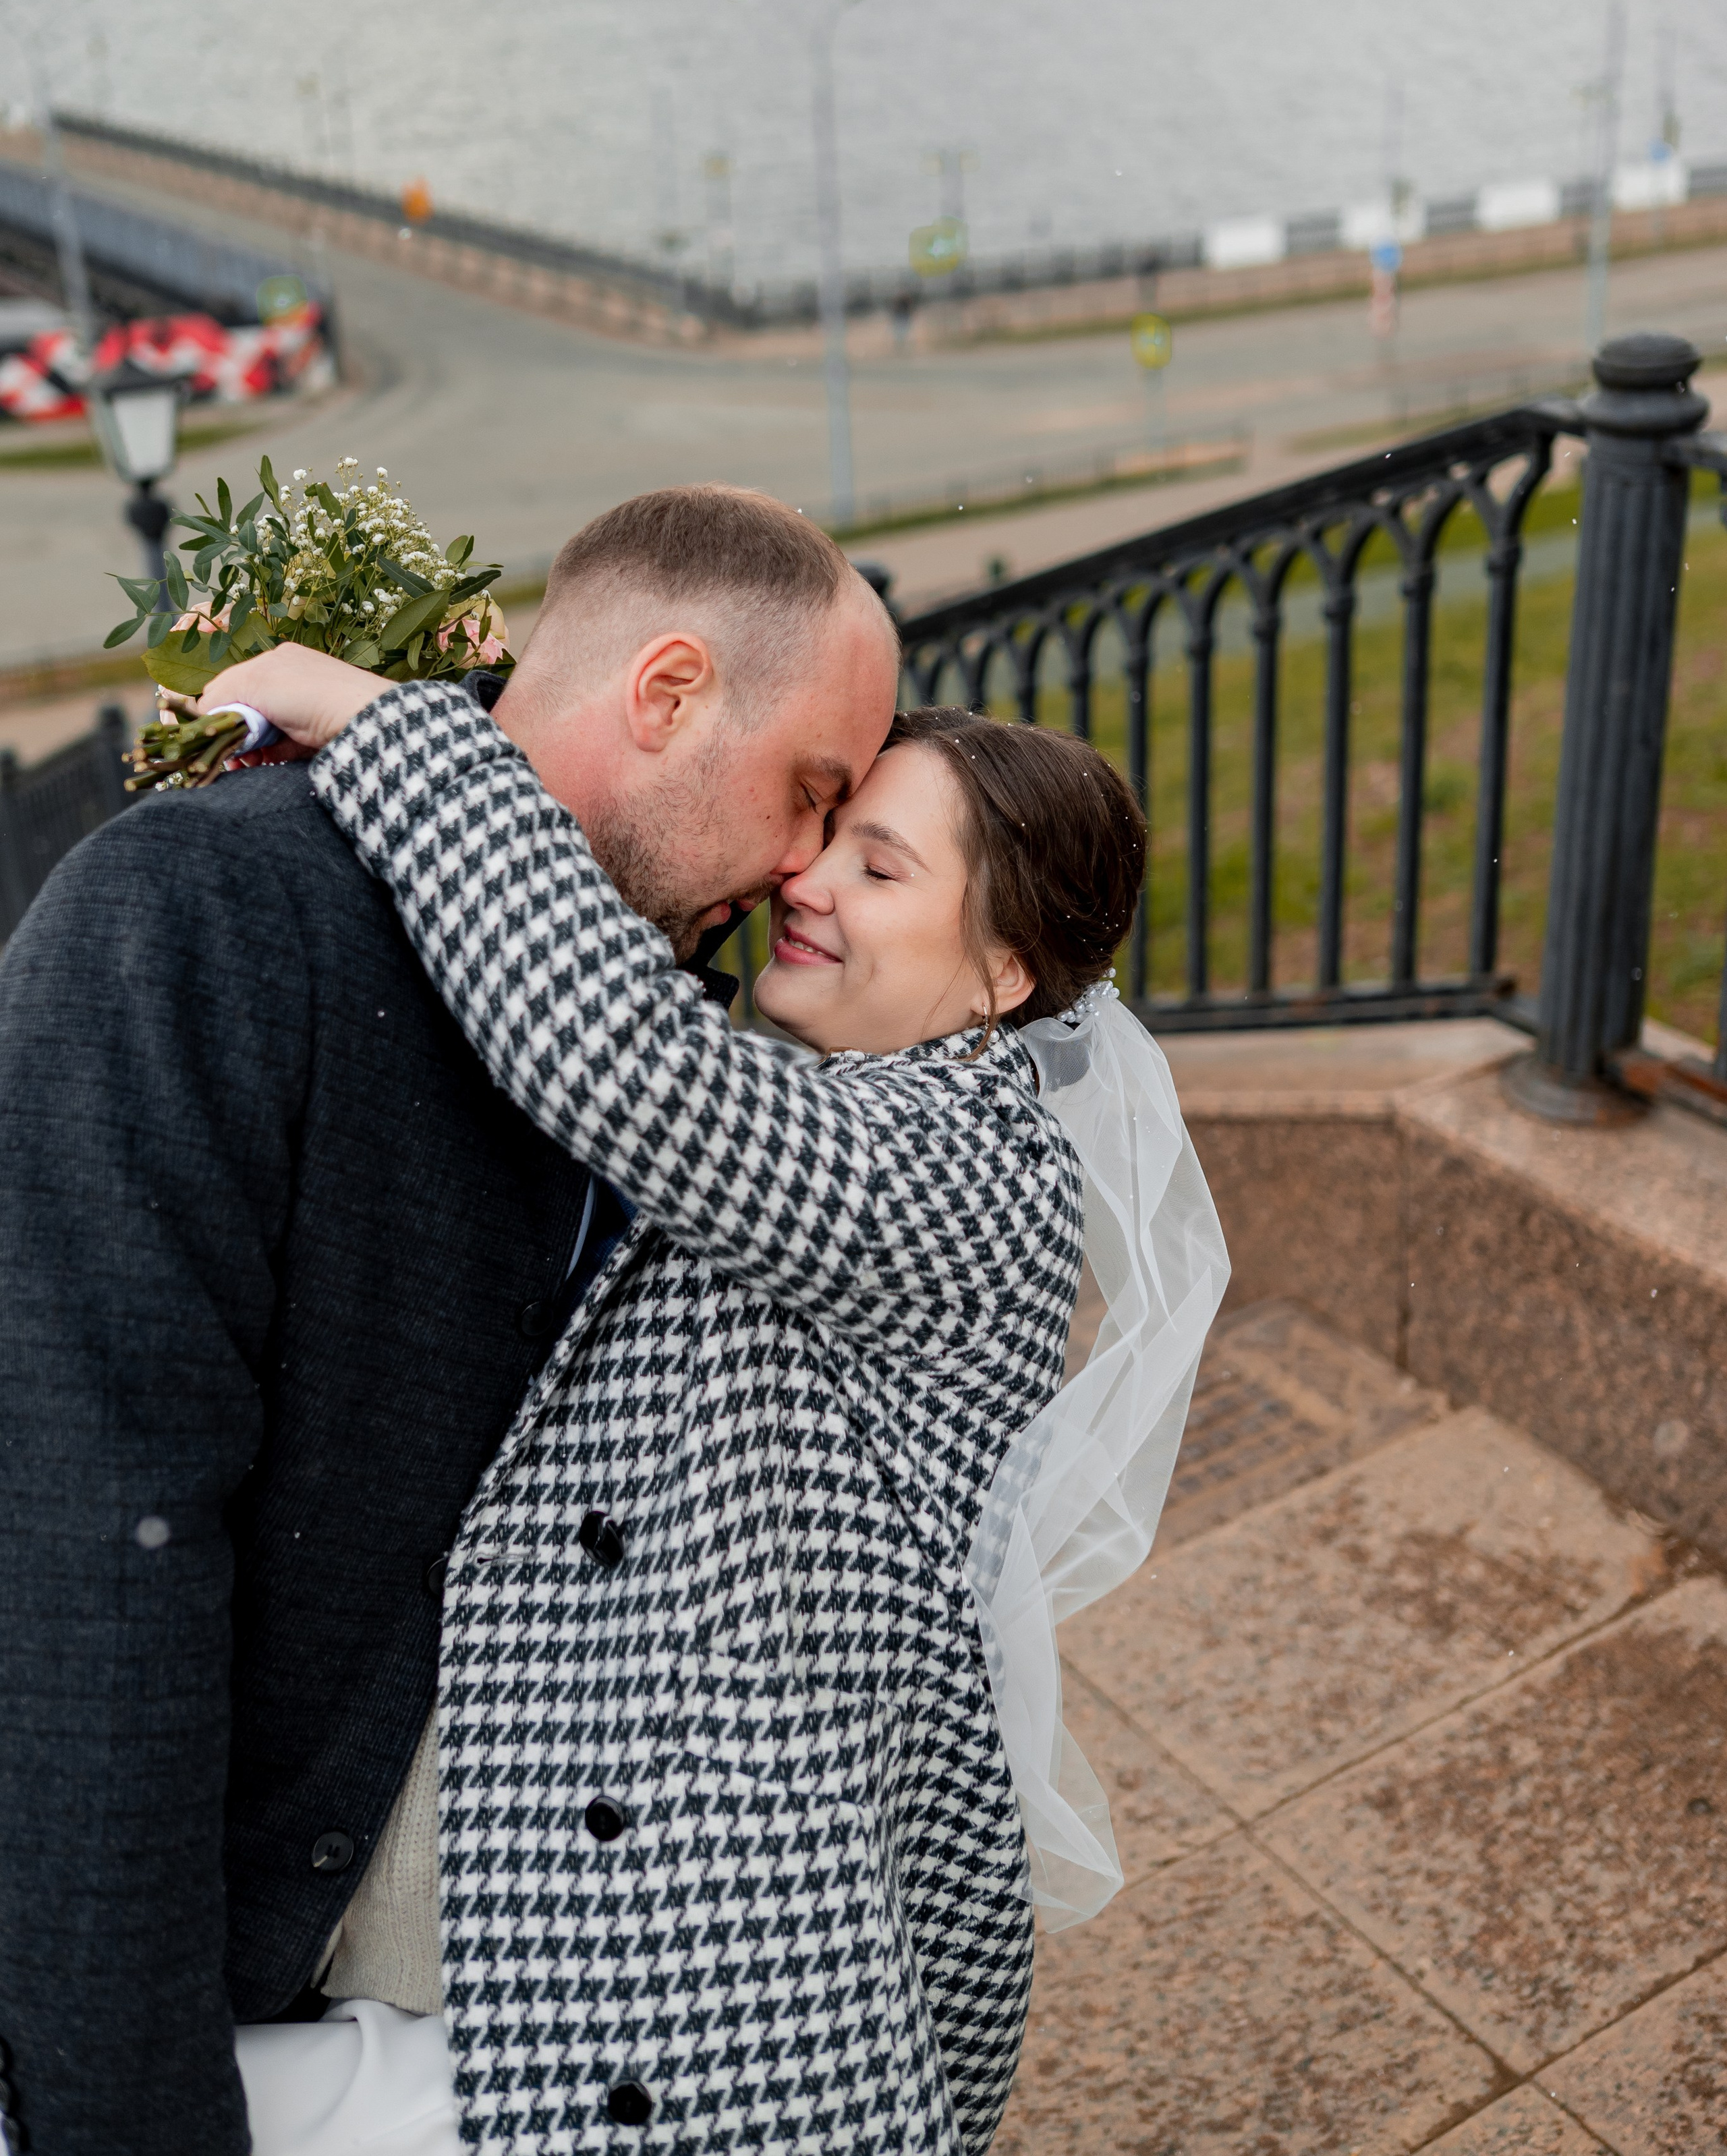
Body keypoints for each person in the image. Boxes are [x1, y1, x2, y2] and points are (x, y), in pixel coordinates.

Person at [210, 640, 1226, 2156]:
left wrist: (391, 724)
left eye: (878, 866)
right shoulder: (853, 1111)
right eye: (824, 835)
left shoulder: (968, 1169)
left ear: (1004, 975)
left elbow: (628, 1063)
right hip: (595, 1886)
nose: (802, 880)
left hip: (702, 1952)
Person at [0, 486, 901, 2156]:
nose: (803, 864)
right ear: (667, 690)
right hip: (229, 2001)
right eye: (811, 790)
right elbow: (92, 1561)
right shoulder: (206, 911)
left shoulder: (654, 1033)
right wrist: (128, 2115)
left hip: (513, 2020)